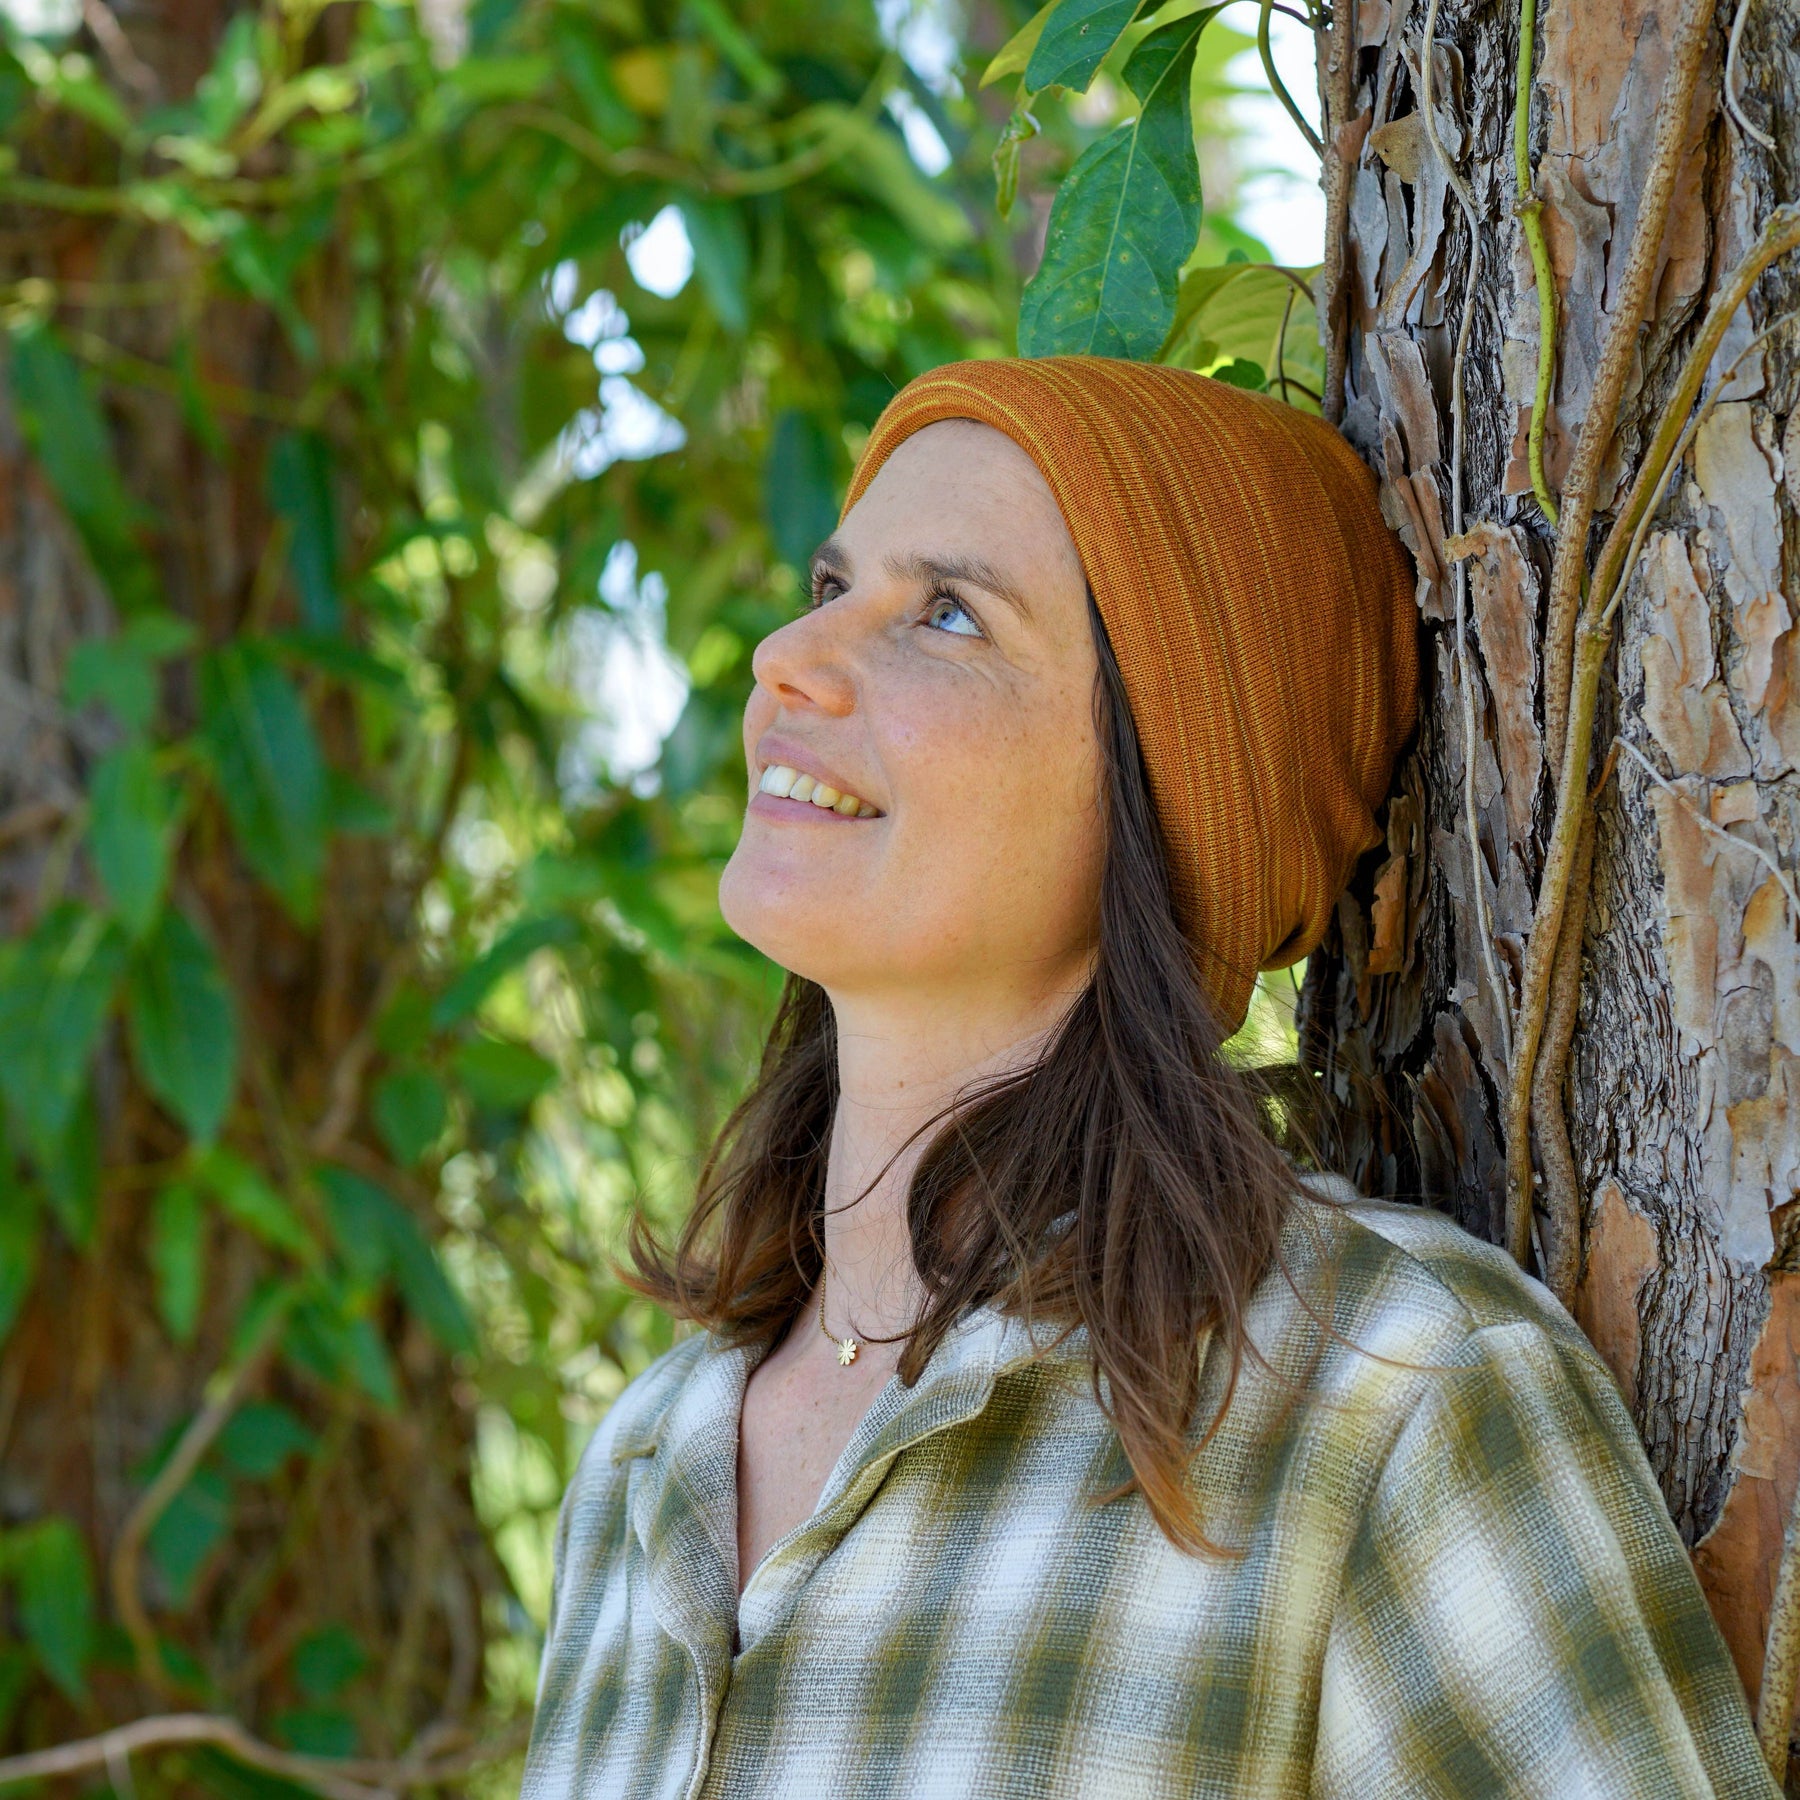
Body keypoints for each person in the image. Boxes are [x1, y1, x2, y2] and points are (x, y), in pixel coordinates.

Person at [520, 357, 1776, 1798]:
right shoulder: (646, 1462)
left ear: (1163, 789)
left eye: (946, 613)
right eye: (830, 585)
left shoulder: (1392, 1399)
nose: (786, 657)